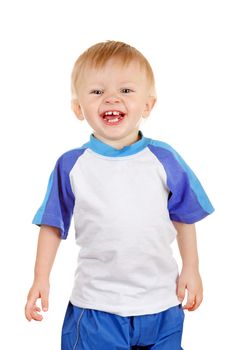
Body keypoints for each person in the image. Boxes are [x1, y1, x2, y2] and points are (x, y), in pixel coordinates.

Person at [25, 41, 214, 349]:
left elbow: (184, 216)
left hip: (162, 306)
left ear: (148, 105)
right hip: (97, 308)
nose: (111, 98)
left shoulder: (164, 159)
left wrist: (191, 268)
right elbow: (52, 225)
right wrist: (40, 278)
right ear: (78, 108)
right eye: (97, 92)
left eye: (126, 91)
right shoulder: (72, 165)